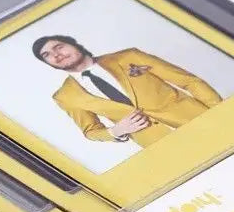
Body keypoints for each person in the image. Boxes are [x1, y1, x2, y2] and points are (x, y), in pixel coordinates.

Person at [32, 34, 222, 148]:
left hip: (201, 120)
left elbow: (189, 81)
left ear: (75, 44)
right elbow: (91, 131)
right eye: (47, 55)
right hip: (160, 145)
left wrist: (220, 111)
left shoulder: (129, 56)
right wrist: (115, 131)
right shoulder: (65, 96)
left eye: (59, 47)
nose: (56, 54)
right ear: (48, 63)